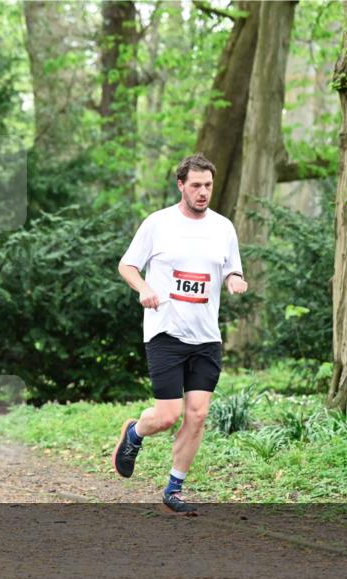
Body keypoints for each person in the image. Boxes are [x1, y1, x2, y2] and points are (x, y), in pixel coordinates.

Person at [113, 153, 247, 513]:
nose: (203, 192)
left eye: (208, 186)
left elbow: (231, 269)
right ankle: (134, 433)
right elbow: (127, 265)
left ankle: (174, 488)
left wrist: (235, 279)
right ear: (181, 186)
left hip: (206, 336)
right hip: (166, 333)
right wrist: (142, 288)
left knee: (198, 414)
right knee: (168, 415)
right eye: (196, 186)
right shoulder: (158, 224)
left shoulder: (223, 228)